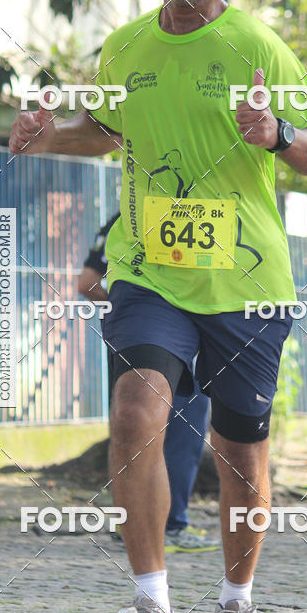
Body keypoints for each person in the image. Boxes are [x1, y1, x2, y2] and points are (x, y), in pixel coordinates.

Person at [9, 0, 307, 613]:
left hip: (245, 282)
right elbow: (105, 131)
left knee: (240, 456)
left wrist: (277, 133)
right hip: (149, 272)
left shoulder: (259, 48)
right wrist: (47, 136)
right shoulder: (125, 49)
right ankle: (153, 609)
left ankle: (237, 609)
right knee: (134, 414)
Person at [78, 211, 218, 552]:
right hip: (186, 336)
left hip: (133, 336)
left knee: (135, 429)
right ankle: (170, 526)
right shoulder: (204, 211)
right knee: (182, 432)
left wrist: (128, 315)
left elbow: (88, 283)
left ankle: (131, 524)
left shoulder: (123, 217)